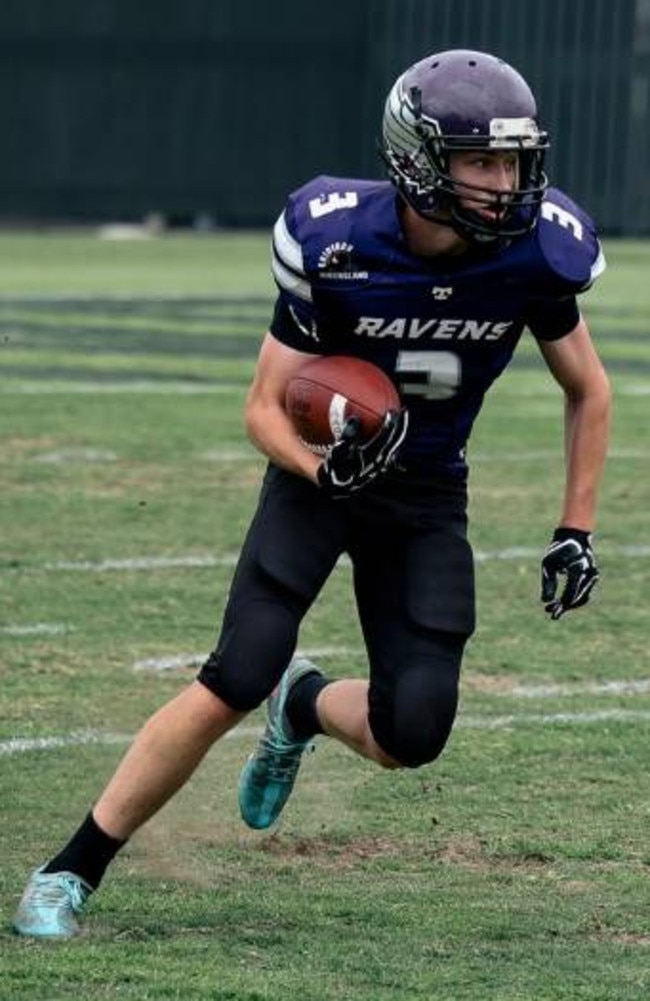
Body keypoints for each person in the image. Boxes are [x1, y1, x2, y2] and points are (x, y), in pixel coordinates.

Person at [13, 48, 610, 938]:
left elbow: (588, 390)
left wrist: (576, 528)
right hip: (320, 477)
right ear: (418, 159)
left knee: (413, 731)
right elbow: (263, 407)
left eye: (513, 161)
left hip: (426, 495)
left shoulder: (538, 251)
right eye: (480, 161)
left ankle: (305, 704)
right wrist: (322, 468)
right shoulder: (336, 237)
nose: (504, 183)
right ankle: (69, 870)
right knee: (233, 675)